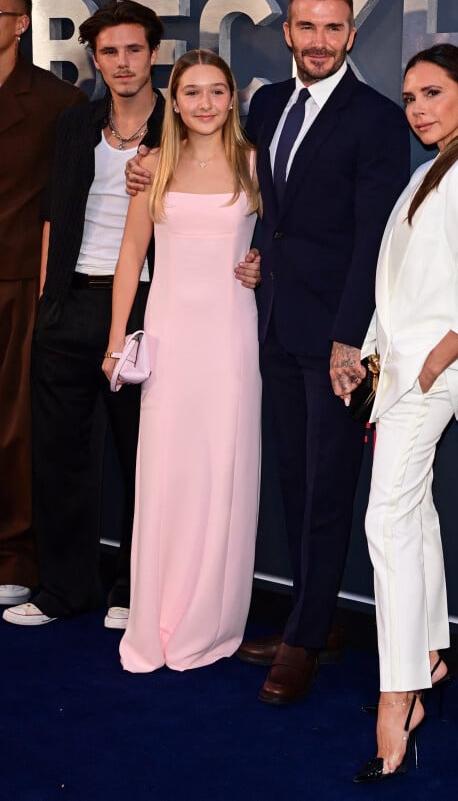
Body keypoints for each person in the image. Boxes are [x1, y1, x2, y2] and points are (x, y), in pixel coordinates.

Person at [343, 44, 458, 782]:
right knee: (409, 515)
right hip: (405, 369)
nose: (419, 107)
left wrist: (433, 362)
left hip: (431, 373)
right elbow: (404, 285)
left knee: (385, 520)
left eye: (434, 93)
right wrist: (366, 352)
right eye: (410, 95)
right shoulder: (431, 169)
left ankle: (399, 694)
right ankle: (424, 659)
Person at [235, 0, 410, 705]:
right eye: (305, 26)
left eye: (332, 28)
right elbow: (271, 208)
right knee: (295, 480)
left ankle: (305, 639)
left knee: (329, 486)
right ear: (287, 33)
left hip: (339, 337)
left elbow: (376, 237)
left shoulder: (374, 118)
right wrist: (255, 253)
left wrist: (349, 339)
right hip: (275, 322)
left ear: (350, 35)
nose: (317, 40)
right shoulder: (267, 102)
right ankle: (318, 616)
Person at [3, 0, 165, 630]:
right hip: (69, 303)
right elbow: (52, 219)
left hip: (146, 310)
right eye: (108, 52)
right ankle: (65, 589)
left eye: (132, 49)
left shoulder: (180, 127)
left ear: (153, 53)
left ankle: (133, 590)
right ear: (94, 59)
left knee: (141, 457)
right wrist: (49, 303)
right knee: (62, 456)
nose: (121, 63)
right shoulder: (76, 125)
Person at [101, 48, 262, 672]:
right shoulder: (152, 166)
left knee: (221, 471)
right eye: (191, 92)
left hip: (229, 339)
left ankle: (210, 620)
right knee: (167, 475)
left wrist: (261, 265)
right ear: (174, 99)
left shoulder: (255, 166)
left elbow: (284, 243)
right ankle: (156, 615)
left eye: (216, 92)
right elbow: (129, 259)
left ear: (232, 99)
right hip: (168, 337)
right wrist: (118, 341)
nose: (204, 104)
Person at [0, 0, 85, 607]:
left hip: (18, 281)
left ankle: (15, 557)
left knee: (14, 427)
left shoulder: (58, 103)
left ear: (22, 23)